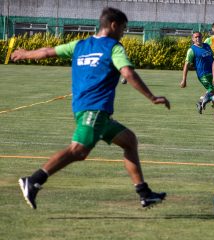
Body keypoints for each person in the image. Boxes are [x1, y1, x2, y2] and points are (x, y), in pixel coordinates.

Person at [12, 7, 170, 209]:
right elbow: (127, 73)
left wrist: (25, 54)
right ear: (113, 25)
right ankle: (33, 180)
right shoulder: (114, 47)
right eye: (123, 28)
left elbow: (47, 52)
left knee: (129, 141)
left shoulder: (80, 45)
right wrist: (152, 97)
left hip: (86, 109)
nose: (123, 32)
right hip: (95, 109)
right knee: (78, 150)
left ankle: (144, 193)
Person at [181, 32, 214, 119]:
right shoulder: (192, 50)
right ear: (193, 39)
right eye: (195, 37)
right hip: (203, 75)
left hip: (213, 73)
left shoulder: (207, 46)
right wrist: (184, 79)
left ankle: (203, 100)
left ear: (202, 37)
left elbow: (213, 57)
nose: (198, 38)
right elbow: (186, 65)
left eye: (199, 36)